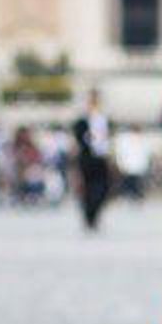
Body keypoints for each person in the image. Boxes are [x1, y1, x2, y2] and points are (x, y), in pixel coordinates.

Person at [73, 89, 113, 231]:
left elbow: (108, 141)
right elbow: (79, 139)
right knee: (88, 190)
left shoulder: (104, 120)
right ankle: (89, 218)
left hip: (101, 159)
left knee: (102, 189)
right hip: (87, 159)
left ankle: (95, 214)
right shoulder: (82, 121)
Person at [114, 123, 151, 201]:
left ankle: (134, 194)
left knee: (135, 181)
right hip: (129, 165)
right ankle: (128, 193)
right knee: (129, 181)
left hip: (137, 165)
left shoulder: (142, 140)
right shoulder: (126, 139)